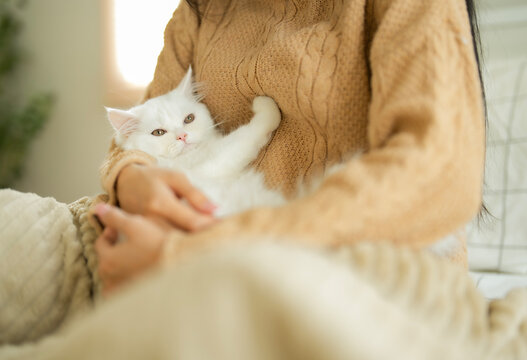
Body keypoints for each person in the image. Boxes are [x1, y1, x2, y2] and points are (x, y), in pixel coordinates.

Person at [94, 0, 486, 295]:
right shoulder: (200, 9)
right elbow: (134, 136)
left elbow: (439, 179)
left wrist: (202, 250)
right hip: (201, 247)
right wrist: (130, 177)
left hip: (361, 275)